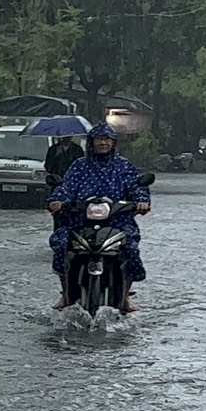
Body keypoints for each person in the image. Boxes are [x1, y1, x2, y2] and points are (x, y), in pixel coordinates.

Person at [47, 123, 152, 311]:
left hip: (117, 222)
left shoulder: (123, 166)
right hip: (80, 222)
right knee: (62, 245)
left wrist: (142, 201)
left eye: (106, 139)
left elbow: (137, 187)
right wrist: (57, 201)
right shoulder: (79, 166)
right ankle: (66, 294)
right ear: (91, 142)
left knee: (130, 248)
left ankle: (125, 296)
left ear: (113, 142)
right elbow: (67, 188)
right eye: (99, 139)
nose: (102, 143)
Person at [42, 126, 85, 191]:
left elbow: (81, 166)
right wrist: (56, 155)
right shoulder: (53, 149)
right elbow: (48, 167)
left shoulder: (77, 149)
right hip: (56, 182)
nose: (66, 139)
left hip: (72, 182)